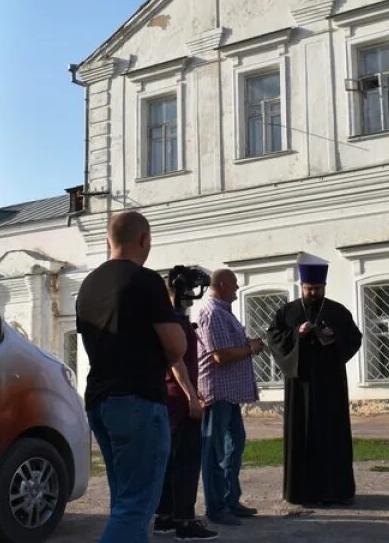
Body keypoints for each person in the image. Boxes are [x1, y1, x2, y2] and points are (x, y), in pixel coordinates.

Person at [76, 211, 185, 543]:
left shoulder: (88, 285)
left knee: (124, 500)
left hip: (99, 399)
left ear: (109, 240)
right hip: (137, 399)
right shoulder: (146, 280)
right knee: (137, 505)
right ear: (144, 240)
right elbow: (176, 346)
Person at [264, 262, 363, 506]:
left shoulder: (337, 311)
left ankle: (335, 491)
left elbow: (354, 338)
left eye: (318, 288)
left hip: (330, 384)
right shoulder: (287, 312)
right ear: (302, 286)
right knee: (302, 434)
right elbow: (273, 337)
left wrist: (332, 337)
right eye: (309, 288)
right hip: (300, 384)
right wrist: (296, 333)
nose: (314, 293)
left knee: (332, 435)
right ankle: (302, 492)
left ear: (324, 287)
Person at [194, 268, 263, 527]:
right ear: (222, 284)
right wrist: (251, 348)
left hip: (230, 392)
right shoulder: (212, 312)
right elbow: (220, 356)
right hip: (217, 391)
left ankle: (230, 499)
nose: (236, 288)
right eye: (234, 284)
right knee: (214, 450)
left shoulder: (222, 312)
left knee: (234, 445)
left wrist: (247, 346)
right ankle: (216, 507)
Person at [153, 272, 218, 541]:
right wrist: (191, 395)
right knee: (186, 461)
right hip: (178, 399)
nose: (195, 293)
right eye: (191, 288)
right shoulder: (173, 321)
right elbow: (175, 360)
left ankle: (165, 516)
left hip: (170, 398)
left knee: (171, 460)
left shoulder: (171, 319)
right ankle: (184, 520)